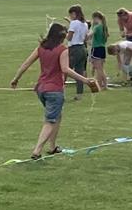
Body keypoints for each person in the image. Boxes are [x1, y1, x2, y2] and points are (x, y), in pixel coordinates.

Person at [10, 22, 93, 160]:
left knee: (57, 116)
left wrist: (16, 79)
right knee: (50, 120)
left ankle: (53, 146)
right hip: (54, 90)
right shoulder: (63, 50)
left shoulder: (41, 48)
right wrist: (84, 80)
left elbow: (26, 64)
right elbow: (66, 69)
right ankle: (37, 151)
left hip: (41, 89)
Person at [65, 5, 90, 97]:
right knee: (79, 72)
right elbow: (85, 38)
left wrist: (64, 32)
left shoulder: (74, 23)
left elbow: (69, 38)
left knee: (65, 70)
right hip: (82, 48)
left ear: (74, 13)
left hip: (74, 49)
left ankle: (59, 90)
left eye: (71, 14)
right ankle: (79, 94)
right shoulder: (85, 24)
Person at [89, 11, 110, 92]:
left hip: (96, 48)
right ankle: (103, 84)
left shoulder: (97, 27)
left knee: (98, 69)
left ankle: (103, 84)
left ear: (95, 18)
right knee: (101, 68)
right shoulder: (104, 27)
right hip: (102, 48)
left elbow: (90, 35)